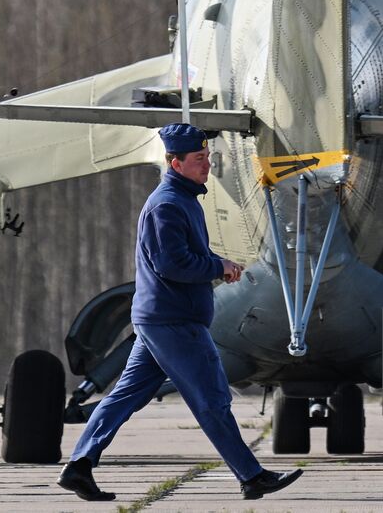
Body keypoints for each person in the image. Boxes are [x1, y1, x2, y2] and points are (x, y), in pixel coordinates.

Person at [56, 123, 303, 502]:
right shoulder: (168, 205)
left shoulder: (182, 200)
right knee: (213, 399)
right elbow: (171, 264)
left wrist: (213, 264)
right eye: (199, 159)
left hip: (163, 319)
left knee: (123, 398)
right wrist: (217, 266)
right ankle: (252, 476)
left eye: (207, 157)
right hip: (174, 322)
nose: (207, 164)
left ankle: (79, 466)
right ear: (175, 163)